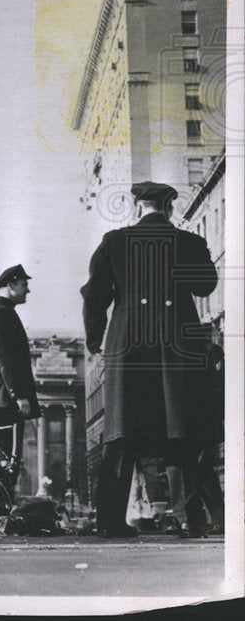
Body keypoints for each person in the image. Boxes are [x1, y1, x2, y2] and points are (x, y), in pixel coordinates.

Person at [81, 181, 221, 538]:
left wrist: (96, 340)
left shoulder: (114, 242)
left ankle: (110, 523)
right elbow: (206, 285)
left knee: (121, 433)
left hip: (128, 347)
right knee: (181, 429)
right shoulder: (188, 242)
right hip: (178, 346)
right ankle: (192, 521)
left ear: (135, 205)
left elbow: (95, 295)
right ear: (170, 207)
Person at [0, 265, 41, 474]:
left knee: (5, 460)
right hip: (4, 402)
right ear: (11, 285)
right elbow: (5, 360)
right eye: (24, 285)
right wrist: (18, 395)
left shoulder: (1, 312)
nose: (28, 290)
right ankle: (1, 506)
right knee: (8, 462)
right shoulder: (1, 315)